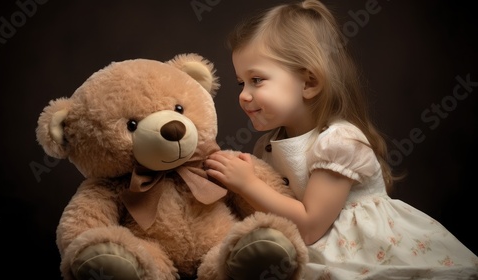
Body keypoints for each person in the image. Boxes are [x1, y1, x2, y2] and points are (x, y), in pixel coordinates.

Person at [205, 0, 478, 279]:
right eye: (241, 83)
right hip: (312, 243)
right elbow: (278, 209)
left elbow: (310, 227)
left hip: (360, 249)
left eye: (257, 80)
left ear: (309, 82)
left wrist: (248, 183)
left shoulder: (338, 142)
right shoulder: (268, 146)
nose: (244, 95)